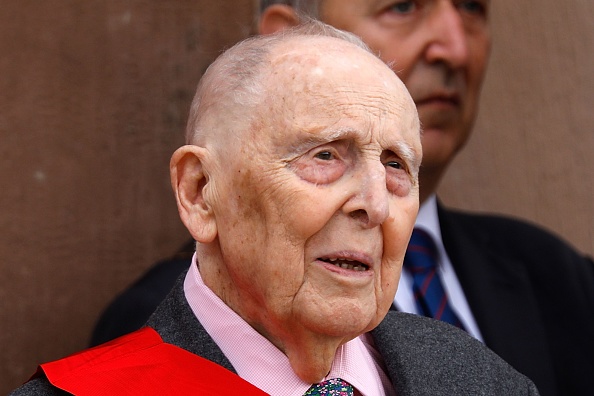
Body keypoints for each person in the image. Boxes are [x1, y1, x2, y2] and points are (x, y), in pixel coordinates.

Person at [91, 1, 594, 395]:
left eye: (396, 165)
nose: (374, 205)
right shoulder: (111, 379)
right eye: (327, 156)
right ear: (201, 191)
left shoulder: (486, 378)